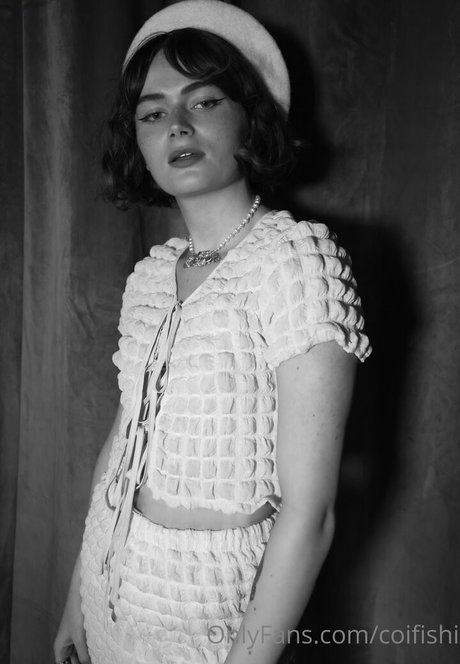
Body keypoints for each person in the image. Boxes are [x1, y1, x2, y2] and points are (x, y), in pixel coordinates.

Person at [54, 2, 372, 663]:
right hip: (110, 596)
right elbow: (122, 446)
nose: (176, 125)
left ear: (249, 118)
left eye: (203, 102)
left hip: (218, 621)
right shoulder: (151, 276)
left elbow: (311, 514)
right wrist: (75, 602)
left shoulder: (296, 260)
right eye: (152, 114)